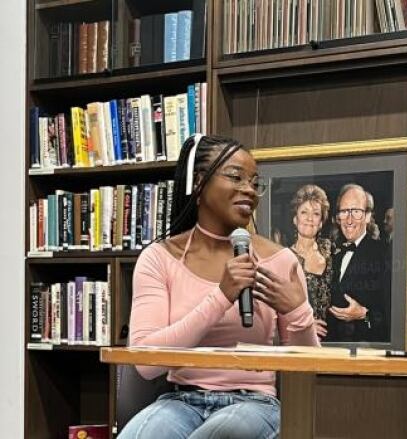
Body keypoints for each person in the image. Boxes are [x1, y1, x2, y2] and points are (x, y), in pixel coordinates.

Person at [120, 135, 320, 439]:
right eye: (236, 177)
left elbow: (309, 370)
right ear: (199, 183)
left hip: (256, 403)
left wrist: (298, 311)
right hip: (181, 400)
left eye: (255, 182)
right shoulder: (159, 258)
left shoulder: (280, 260)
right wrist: (221, 296)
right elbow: (146, 363)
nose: (249, 190)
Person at [327, 184, 391, 343]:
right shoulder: (332, 253)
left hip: (367, 353)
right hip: (330, 352)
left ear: (368, 217)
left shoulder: (384, 253)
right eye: (344, 212)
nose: (349, 220)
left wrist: (364, 314)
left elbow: (394, 315)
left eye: (356, 212)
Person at [288, 184, 333, 340]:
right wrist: (305, 325)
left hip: (336, 338)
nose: (309, 218)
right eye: (304, 212)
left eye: (316, 214)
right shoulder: (285, 258)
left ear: (321, 221)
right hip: (302, 336)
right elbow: (279, 305)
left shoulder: (331, 249)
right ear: (295, 218)